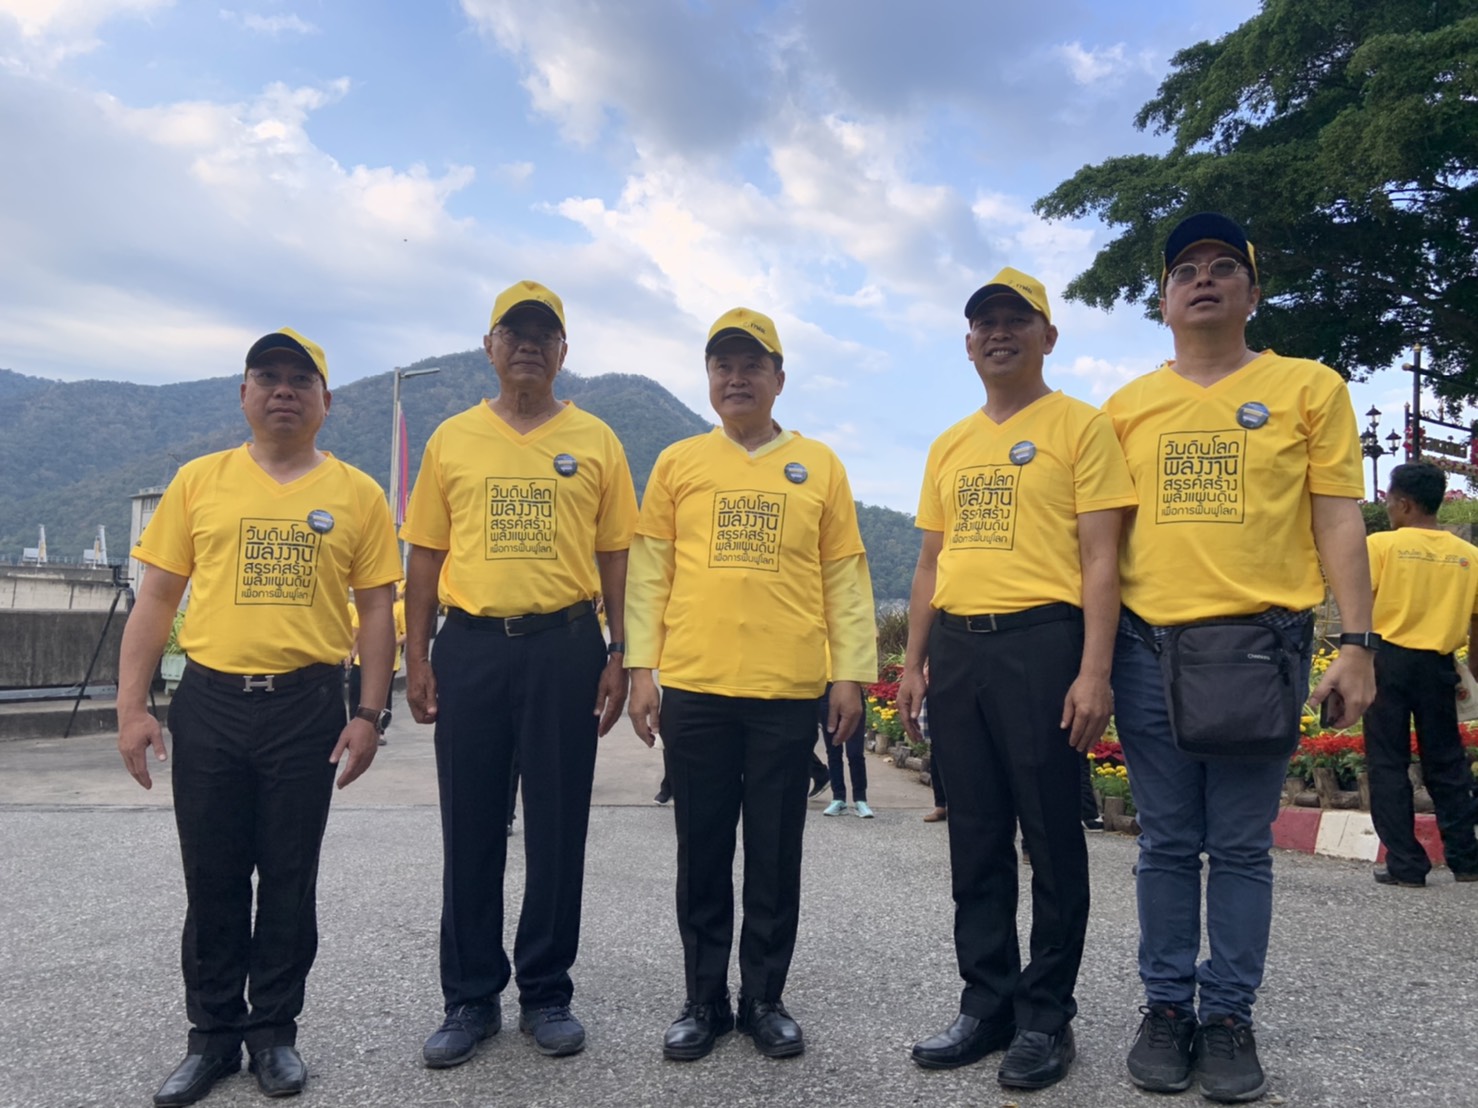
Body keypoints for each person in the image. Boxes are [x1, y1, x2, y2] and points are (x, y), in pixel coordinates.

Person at [1104, 213, 1376, 1103]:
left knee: (1240, 847)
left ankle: (1227, 1017)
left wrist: (1357, 643)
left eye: (1225, 266)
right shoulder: (1126, 408)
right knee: (1166, 844)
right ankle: (1165, 1008)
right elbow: (1099, 544)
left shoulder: (1308, 388)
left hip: (1259, 650)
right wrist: (1091, 661)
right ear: (1164, 300)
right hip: (1146, 650)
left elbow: (1338, 517)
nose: (1204, 279)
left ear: (1253, 293)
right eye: (1186, 269)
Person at [116, 328, 401, 1106]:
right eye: (267, 377)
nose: (283, 391)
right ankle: (210, 1037)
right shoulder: (200, 482)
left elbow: (378, 610)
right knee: (211, 875)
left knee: (288, 876)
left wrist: (369, 712)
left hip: (306, 705)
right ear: (243, 393)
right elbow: (157, 597)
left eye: (300, 380)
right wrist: (132, 706)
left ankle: (274, 1033)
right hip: (210, 700)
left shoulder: (358, 494)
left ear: (325, 401)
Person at [897, 268, 1135, 1090]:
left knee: (1051, 835)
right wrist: (913, 662)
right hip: (959, 650)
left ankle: (1045, 1015)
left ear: (1047, 336)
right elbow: (930, 562)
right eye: (985, 323)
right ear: (968, 344)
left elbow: (1101, 557)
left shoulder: (1081, 426)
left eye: (1015, 320)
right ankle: (987, 1002)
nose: (999, 332)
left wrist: (1094, 670)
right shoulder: (950, 444)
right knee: (975, 836)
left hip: (1042, 643)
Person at [626, 307, 877, 1062]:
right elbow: (650, 572)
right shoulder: (678, 464)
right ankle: (703, 1000)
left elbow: (844, 578)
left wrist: (848, 674)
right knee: (702, 850)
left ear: (779, 378)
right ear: (708, 378)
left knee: (773, 852)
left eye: (751, 365)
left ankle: (764, 998)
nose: (736, 378)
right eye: (722, 366)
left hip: (786, 691)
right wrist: (642, 669)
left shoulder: (819, 465)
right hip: (697, 688)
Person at [401, 281, 637, 1065]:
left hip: (565, 646)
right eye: (515, 332)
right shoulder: (452, 439)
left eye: (544, 334)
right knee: (470, 825)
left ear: (564, 351)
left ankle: (546, 992)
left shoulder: (597, 441)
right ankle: (470, 998)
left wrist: (619, 652)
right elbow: (425, 555)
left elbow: (616, 557)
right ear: (489, 346)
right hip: (471, 646)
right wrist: (416, 655)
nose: (529, 345)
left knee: (558, 826)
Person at [1364, 462, 1478, 886]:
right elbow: (1477, 621)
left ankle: (1407, 865)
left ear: (1406, 504)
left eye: (1390, 501)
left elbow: (1360, 604)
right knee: (1447, 761)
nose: (1388, 508)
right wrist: (1473, 672)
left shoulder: (1381, 546)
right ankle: (1466, 860)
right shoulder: (1469, 555)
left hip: (1387, 663)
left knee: (1387, 762)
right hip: (1439, 666)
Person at [346, 580, 407, 745]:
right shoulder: (364, 608)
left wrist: (391, 643)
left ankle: (380, 730)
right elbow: (357, 633)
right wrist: (351, 653)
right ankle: (354, 726)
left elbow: (406, 633)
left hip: (387, 660)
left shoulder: (399, 608)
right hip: (362, 659)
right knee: (355, 691)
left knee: (383, 697)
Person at [819, 682, 872, 818]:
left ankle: (860, 799)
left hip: (851, 687)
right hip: (827, 690)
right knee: (833, 751)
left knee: (855, 753)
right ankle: (838, 798)